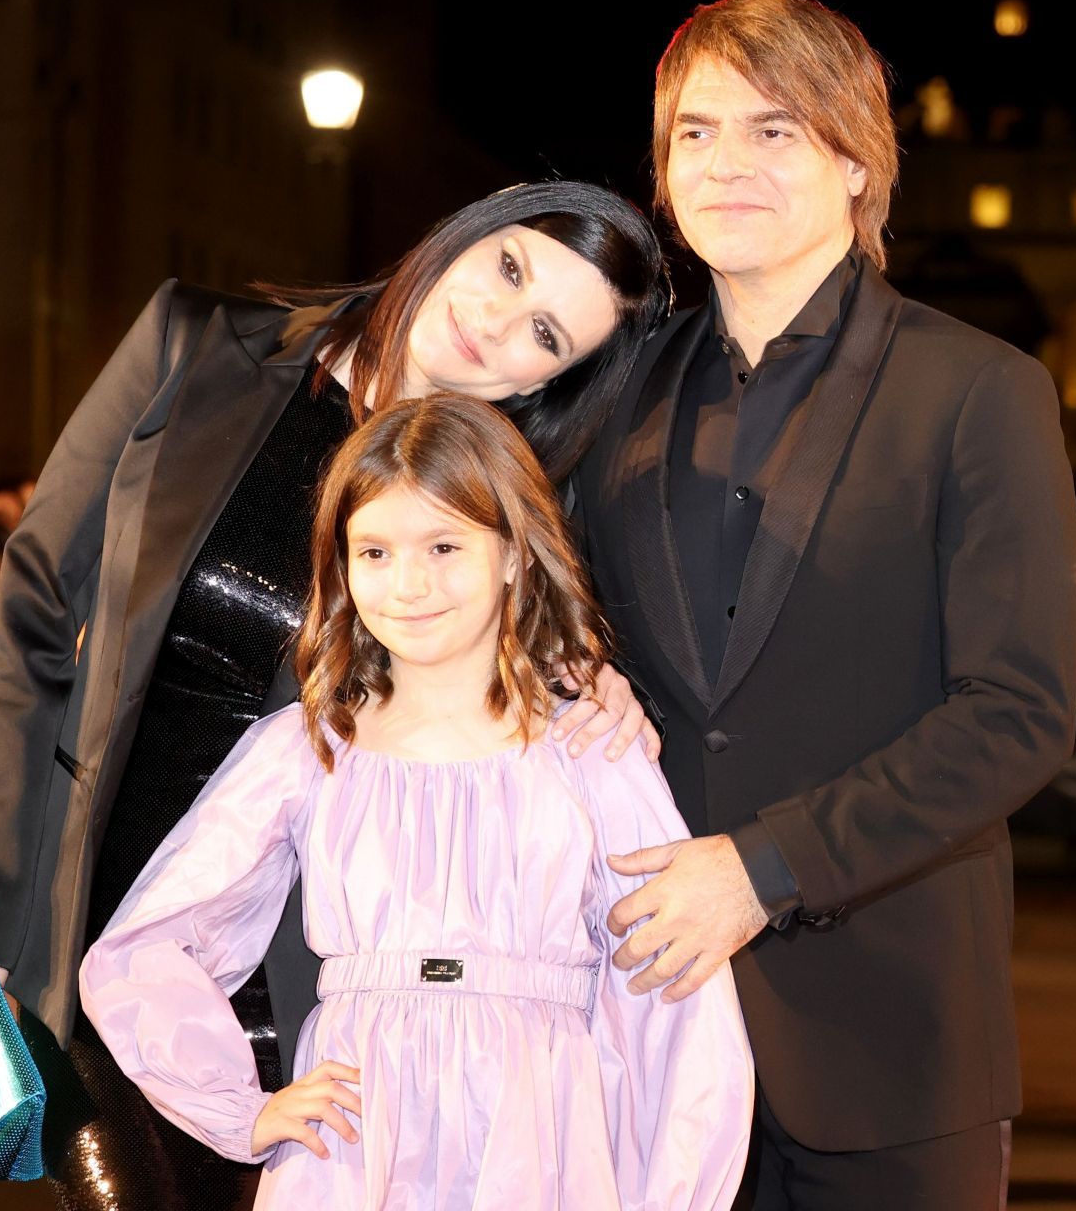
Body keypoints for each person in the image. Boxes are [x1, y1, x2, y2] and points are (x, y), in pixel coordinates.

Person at [0, 181, 671, 1209]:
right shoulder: (197, 344)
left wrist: (593, 681)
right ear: (472, 229)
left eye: (545, 332)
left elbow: (535, 687)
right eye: (509, 267)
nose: (497, 323)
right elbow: (36, 610)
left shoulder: (497, 500)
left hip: (329, 996)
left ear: (559, 377)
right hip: (111, 945)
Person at [574, 0, 1076, 1208]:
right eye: (694, 134)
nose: (725, 165)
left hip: (890, 1046)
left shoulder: (981, 392)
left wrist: (763, 868)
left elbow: (1016, 711)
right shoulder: (610, 390)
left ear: (857, 161)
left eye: (774, 131)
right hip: (631, 1036)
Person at [77, 393, 752, 1208]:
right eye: (375, 552)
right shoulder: (309, 747)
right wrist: (240, 1111)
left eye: (443, 545)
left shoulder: (593, 755)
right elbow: (148, 943)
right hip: (355, 1145)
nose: (409, 585)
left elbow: (675, 1002)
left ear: (513, 554)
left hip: (543, 1144)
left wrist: (677, 1195)